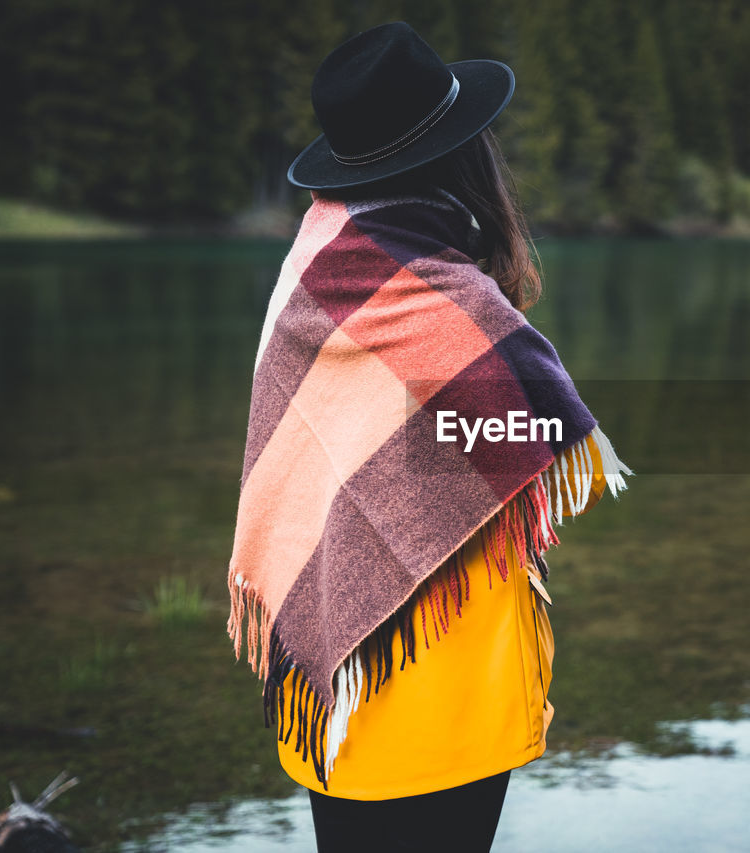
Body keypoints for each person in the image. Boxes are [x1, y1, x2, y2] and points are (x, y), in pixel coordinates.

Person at [224, 22, 631, 852]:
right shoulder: (445, 293)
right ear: (462, 152)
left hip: (335, 664)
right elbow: (543, 432)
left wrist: (420, 446)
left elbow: (314, 450)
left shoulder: (315, 252)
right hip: (445, 670)